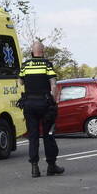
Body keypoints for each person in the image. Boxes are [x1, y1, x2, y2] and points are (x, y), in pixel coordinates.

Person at [18, 40, 65, 178]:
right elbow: (54, 85)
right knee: (48, 135)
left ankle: (34, 168)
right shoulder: (47, 65)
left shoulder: (25, 65)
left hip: (29, 105)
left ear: (32, 52)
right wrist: (54, 101)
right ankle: (51, 166)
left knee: (33, 137)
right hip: (45, 105)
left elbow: (20, 82)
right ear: (42, 52)